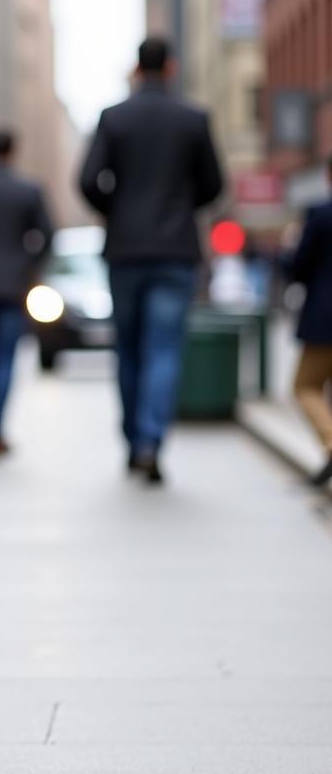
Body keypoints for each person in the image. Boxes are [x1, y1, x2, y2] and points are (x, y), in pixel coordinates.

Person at [79, 37, 223, 485]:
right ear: (173, 67)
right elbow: (214, 184)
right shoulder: (193, 119)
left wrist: (116, 210)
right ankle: (151, 440)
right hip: (176, 250)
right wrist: (182, 207)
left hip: (126, 251)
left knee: (130, 348)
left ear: (137, 69)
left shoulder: (114, 118)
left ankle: (133, 438)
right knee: (164, 348)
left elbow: (87, 180)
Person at [0, 129, 54, 458]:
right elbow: (48, 234)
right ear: (15, 150)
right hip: (13, 287)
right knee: (5, 359)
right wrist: (31, 265)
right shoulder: (29, 190)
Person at [285, 156, 332, 489]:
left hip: (325, 318)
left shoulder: (320, 213)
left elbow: (297, 267)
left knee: (305, 386)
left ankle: (331, 443)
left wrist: (290, 245)